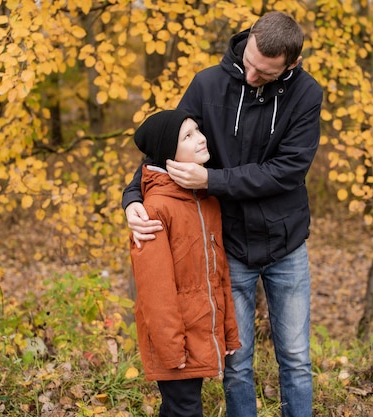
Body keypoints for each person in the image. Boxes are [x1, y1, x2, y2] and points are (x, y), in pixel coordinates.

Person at [123, 11, 322, 417]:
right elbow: (163, 146)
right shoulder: (208, 83)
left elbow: (286, 171)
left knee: (297, 360)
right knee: (237, 364)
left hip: (285, 244)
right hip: (229, 246)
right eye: (248, 63)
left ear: (291, 65)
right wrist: (132, 198)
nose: (250, 77)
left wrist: (211, 181)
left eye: (265, 74)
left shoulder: (306, 95)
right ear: (248, 39)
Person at [128, 109, 241, 417]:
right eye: (187, 136)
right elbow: (155, 290)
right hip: (174, 343)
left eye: (197, 130)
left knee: (181, 410)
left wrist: (229, 330)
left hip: (199, 334)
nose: (201, 139)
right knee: (185, 410)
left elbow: (219, 276)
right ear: (169, 155)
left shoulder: (207, 202)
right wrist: (170, 349)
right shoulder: (155, 210)